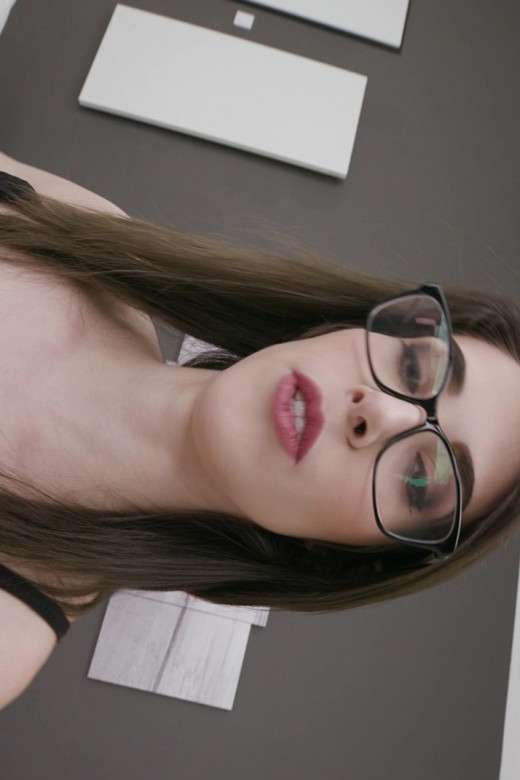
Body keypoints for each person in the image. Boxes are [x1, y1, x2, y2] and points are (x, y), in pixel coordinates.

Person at [0, 151, 519, 708]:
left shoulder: (8, 638)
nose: (380, 413)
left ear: (337, 555)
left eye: (420, 478)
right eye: (415, 367)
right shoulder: (71, 224)